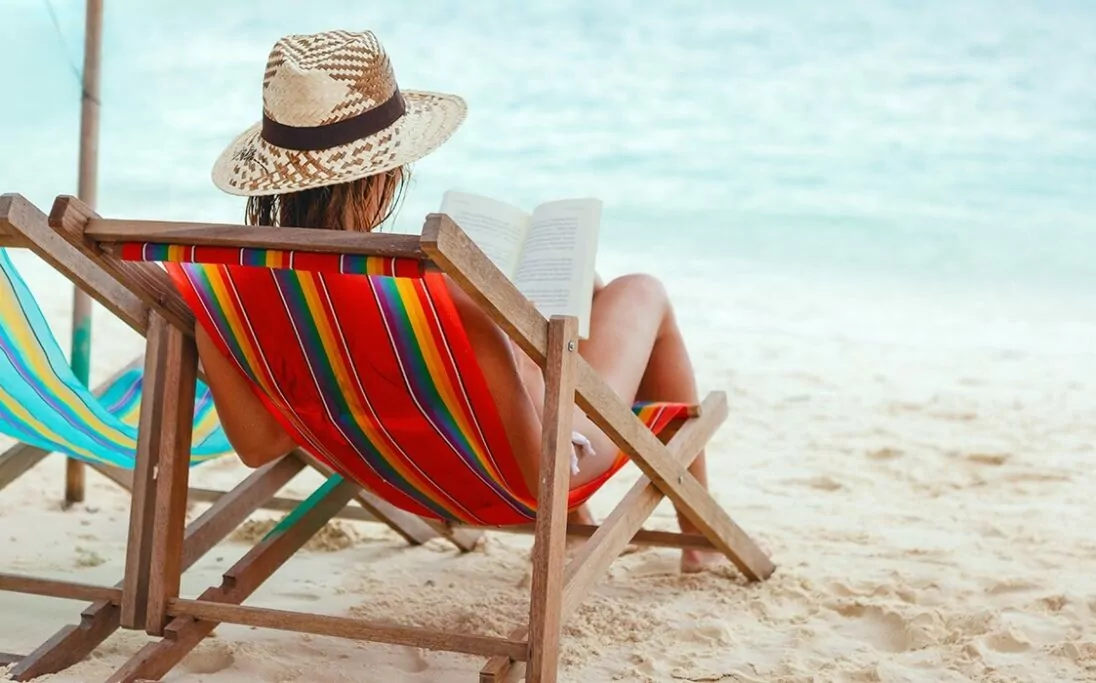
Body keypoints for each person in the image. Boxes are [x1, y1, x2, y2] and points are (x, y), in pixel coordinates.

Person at [199, 30, 719, 572]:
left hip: (396, 468)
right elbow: (537, 470)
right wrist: (515, 340)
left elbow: (259, 446)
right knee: (640, 290)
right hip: (521, 481)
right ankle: (698, 538)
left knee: (589, 285)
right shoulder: (439, 296)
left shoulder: (227, 295)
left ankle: (594, 530)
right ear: (387, 173)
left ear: (272, 179)